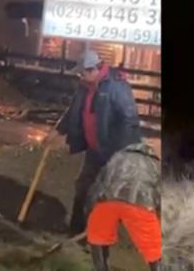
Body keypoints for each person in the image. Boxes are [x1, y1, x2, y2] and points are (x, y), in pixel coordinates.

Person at [56, 49, 142, 234]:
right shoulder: (84, 88)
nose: (80, 76)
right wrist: (59, 130)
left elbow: (129, 120)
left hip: (113, 152)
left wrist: (119, 153)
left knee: (105, 196)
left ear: (92, 70)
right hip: (94, 150)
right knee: (83, 188)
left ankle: (100, 237)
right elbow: (74, 111)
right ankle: (76, 232)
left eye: (82, 73)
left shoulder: (117, 87)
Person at [86, 142, 161, 271]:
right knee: (154, 248)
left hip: (108, 199)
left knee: (97, 238)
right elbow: (159, 194)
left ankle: (100, 268)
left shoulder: (116, 156)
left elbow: (98, 184)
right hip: (141, 203)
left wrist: (90, 210)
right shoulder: (156, 165)